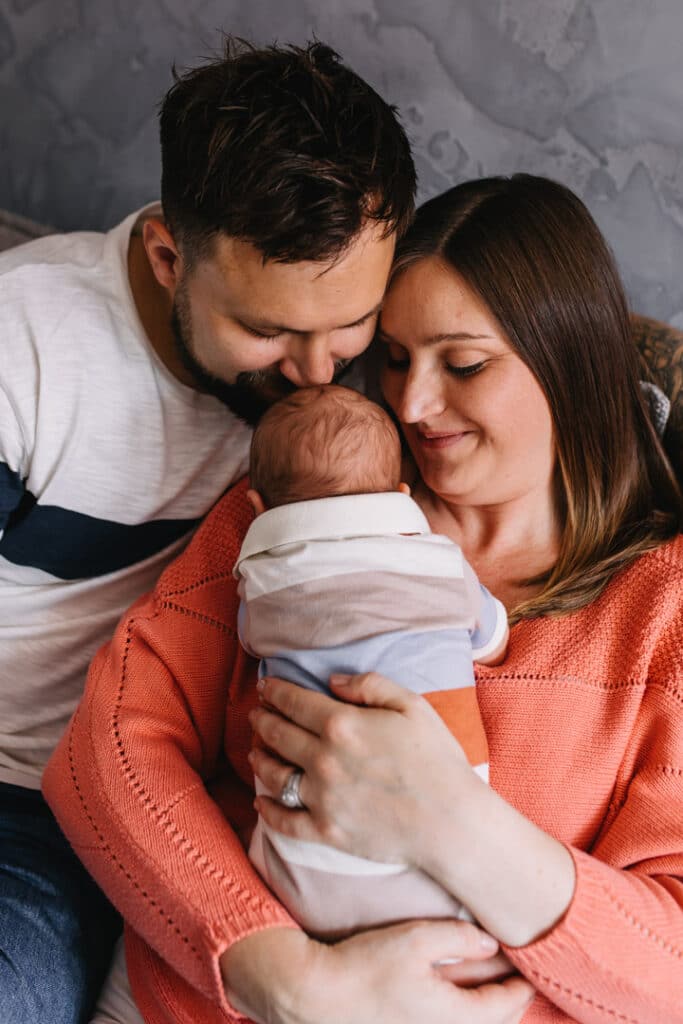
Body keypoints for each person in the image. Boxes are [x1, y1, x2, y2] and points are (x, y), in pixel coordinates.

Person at [44, 173, 683, 1024]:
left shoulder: (660, 614)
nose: (413, 406)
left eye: (462, 364)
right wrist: (279, 973)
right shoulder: (312, 507)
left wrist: (453, 822)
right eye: (392, 358)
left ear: (569, 358)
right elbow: (108, 751)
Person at [0, 36, 415, 1024]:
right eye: (269, 330)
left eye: (348, 323)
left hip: (49, 819)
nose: (318, 372)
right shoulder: (26, 352)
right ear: (165, 257)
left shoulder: (361, 399)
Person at [238, 384, 508, 939]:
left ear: (258, 507)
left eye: (466, 367)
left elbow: (250, 642)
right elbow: (491, 638)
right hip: (444, 883)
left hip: (298, 874)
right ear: (400, 491)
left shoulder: (260, 585)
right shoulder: (439, 561)